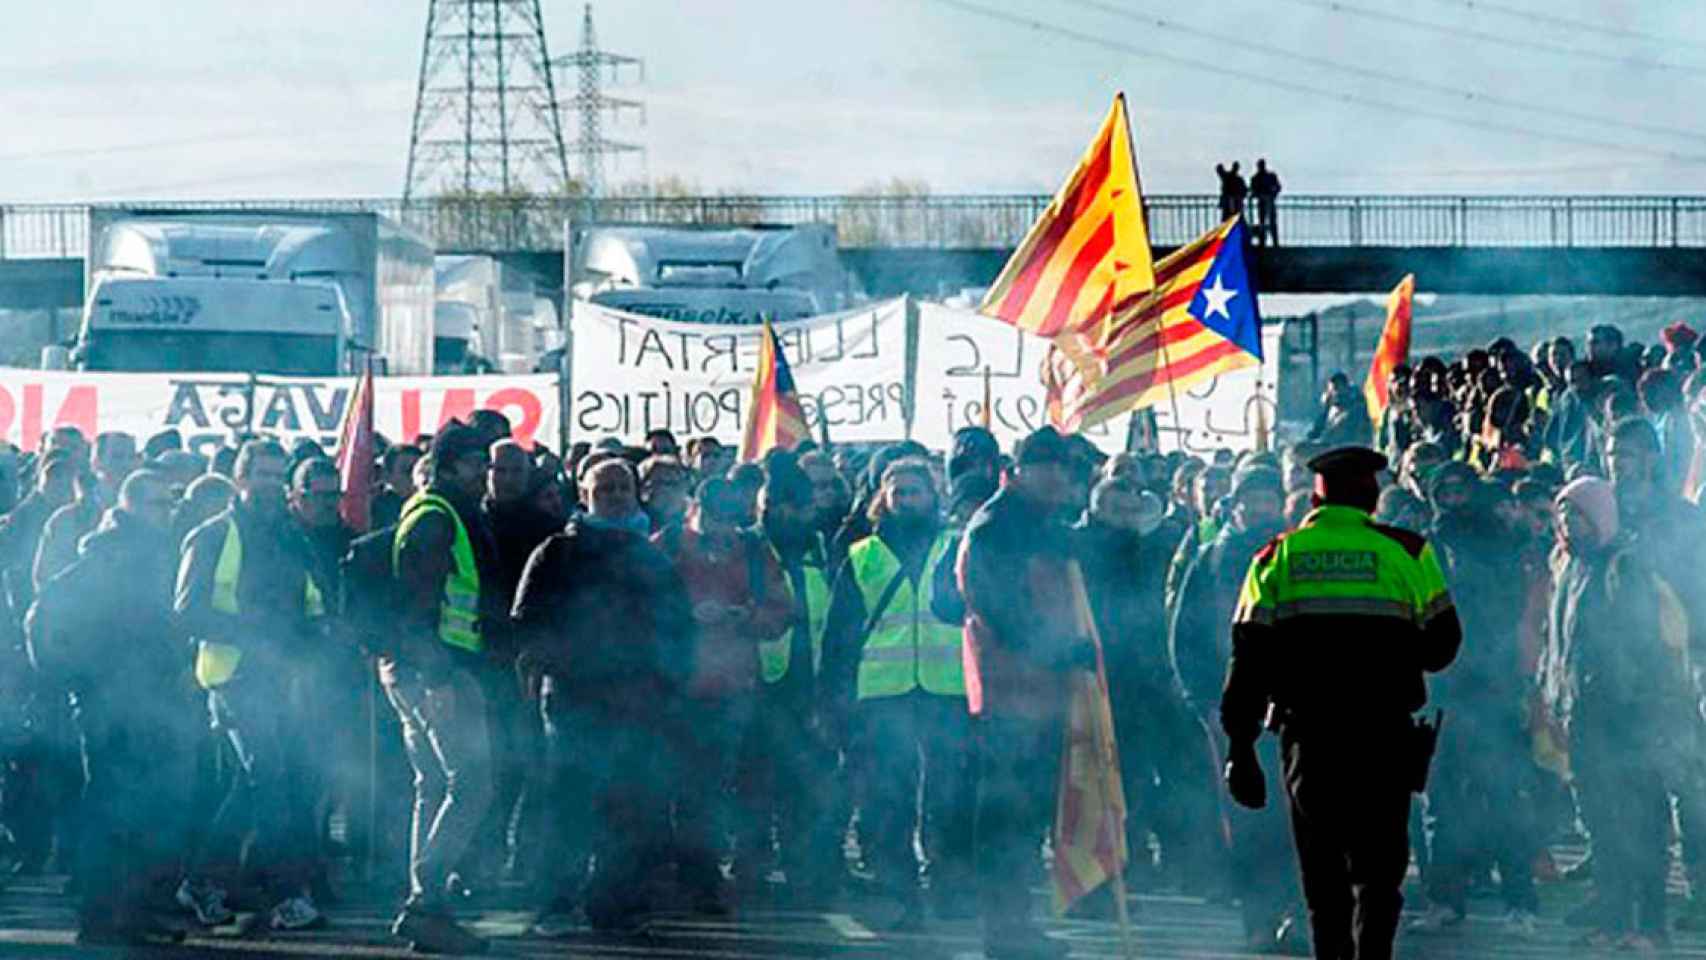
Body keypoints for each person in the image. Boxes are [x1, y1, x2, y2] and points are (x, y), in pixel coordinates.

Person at [1221, 446, 1461, 960]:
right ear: (1373, 497)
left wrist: (1239, 747)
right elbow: (1443, 649)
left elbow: (1248, 662)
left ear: (1314, 498)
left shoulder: (1274, 557)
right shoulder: (1410, 552)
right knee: (1379, 875)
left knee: (1322, 876)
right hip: (1384, 737)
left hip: (1308, 738)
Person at [513, 458, 693, 935]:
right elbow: (529, 620)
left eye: (622, 488)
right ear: (584, 494)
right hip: (575, 700)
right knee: (570, 802)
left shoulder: (651, 556)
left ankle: (616, 906)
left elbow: (679, 628)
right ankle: (555, 904)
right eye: (604, 488)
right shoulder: (557, 551)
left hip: (637, 703)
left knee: (630, 806)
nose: (614, 495)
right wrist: (565, 663)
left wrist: (667, 685)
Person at [27, 470, 189, 945]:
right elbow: (44, 615)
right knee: (114, 812)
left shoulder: (149, 552)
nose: (167, 512)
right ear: (134, 506)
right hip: (113, 705)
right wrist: (78, 679)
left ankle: (132, 911)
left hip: (149, 702)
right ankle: (103, 917)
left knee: (145, 813)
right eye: (158, 504)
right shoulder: (112, 555)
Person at [174, 439, 329, 933]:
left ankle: (202, 879)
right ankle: (286, 893)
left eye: (276, 474)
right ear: (240, 479)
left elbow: (308, 602)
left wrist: (316, 637)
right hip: (234, 677)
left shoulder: (290, 536)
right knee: (270, 779)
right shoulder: (214, 534)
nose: (269, 483)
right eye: (260, 473)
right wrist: (256, 636)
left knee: (253, 784)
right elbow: (187, 611)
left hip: (282, 677)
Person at [825, 458, 972, 928]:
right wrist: (833, 697)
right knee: (889, 799)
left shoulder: (955, 548)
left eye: (915, 491)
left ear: (933, 495)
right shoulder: (863, 554)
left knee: (947, 796)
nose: (907, 500)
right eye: (898, 492)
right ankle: (901, 891)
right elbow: (840, 635)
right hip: (882, 694)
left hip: (946, 690)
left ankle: (947, 883)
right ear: (882, 498)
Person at [1541, 477, 1687, 949]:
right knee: (1603, 827)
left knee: (1641, 825)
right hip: (1586, 719)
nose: (1569, 525)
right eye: (1564, 516)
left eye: (1578, 515)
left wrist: (1642, 711)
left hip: (1631, 719)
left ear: (1600, 517)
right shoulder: (1571, 567)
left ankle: (1649, 927)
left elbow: (1647, 649)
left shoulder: (1625, 568)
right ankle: (1614, 917)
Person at [958, 427, 1087, 960]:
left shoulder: (1042, 525)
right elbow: (1000, 609)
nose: (1060, 478)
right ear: (1020, 471)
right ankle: (1004, 930)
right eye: (1049, 467)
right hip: (1011, 691)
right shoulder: (995, 528)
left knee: (1028, 813)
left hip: (1042, 692)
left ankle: (1017, 925)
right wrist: (1056, 650)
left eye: (1064, 468)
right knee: (1008, 815)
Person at [1170, 465, 1305, 952]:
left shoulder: (1297, 559)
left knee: (1298, 817)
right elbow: (1184, 637)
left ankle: (1299, 916)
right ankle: (1258, 921)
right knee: (1248, 818)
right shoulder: (1209, 559)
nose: (1261, 507)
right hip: (1233, 711)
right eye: (1252, 498)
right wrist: (1202, 700)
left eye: (1270, 498)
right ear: (1236, 503)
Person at [1408, 464, 1540, 934]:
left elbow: (1509, 609)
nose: (1451, 497)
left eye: (1459, 488)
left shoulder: (1500, 542)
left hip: (1492, 688)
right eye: (1442, 489)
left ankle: (1520, 901)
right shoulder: (1426, 544)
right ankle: (1444, 900)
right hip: (1440, 688)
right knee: (1440, 804)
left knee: (1501, 794)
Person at [383, 425, 500, 955]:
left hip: (420, 670)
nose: (486, 475)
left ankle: (425, 901)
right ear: (453, 466)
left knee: (434, 785)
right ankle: (425, 905)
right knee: (472, 783)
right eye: (478, 464)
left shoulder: (434, 510)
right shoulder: (437, 516)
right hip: (439, 671)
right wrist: (437, 677)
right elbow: (415, 602)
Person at [654, 476, 790, 913]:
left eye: (728, 518)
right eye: (712, 517)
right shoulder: (668, 545)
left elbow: (781, 612)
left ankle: (735, 874)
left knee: (742, 786)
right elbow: (639, 609)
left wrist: (742, 616)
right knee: (688, 788)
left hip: (738, 687)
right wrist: (684, 617)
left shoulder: (754, 550)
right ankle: (694, 877)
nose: (720, 528)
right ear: (694, 509)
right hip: (678, 688)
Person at [1078, 474, 1219, 896]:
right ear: (1097, 508)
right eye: (1114, 509)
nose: (1123, 518)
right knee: (1115, 782)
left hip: (1155, 677)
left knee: (1170, 778)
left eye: (1130, 510)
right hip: (1105, 678)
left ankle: (1184, 862)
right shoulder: (1079, 549)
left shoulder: (1156, 547)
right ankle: (1123, 864)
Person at [737, 458, 842, 903]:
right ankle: (751, 872)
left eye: (789, 506)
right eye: (770, 504)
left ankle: (806, 873)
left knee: (806, 785)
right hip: (758, 685)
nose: (778, 513)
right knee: (754, 786)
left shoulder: (822, 550)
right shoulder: (748, 550)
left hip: (808, 686)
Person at [33, 432, 138, 589]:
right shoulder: (68, 519)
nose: (126, 464)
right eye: (117, 457)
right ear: (96, 463)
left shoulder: (148, 512)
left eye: (132, 457)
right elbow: (46, 579)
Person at [372, 444, 423, 531]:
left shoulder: (431, 503)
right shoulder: (378, 509)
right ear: (388, 476)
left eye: (418, 471)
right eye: (407, 470)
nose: (414, 477)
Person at [1250, 159, 1282, 246]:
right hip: (1262, 203)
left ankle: (1274, 242)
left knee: (1271, 223)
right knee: (1263, 223)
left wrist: (1272, 193)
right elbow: (1253, 190)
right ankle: (1263, 242)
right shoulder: (1256, 178)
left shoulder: (1269, 176)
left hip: (1269, 201)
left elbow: (1278, 187)